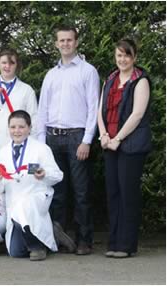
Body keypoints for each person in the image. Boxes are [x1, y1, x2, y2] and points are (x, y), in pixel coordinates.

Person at [36, 25, 100, 255]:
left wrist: (87, 140)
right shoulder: (51, 75)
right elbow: (42, 110)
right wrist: (41, 143)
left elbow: (94, 108)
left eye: (69, 40)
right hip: (53, 138)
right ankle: (59, 239)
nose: (65, 44)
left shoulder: (87, 71)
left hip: (76, 137)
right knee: (57, 192)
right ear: (56, 44)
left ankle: (84, 241)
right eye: (61, 40)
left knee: (81, 191)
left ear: (76, 41)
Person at [97, 39, 151, 259]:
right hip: (110, 143)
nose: (122, 59)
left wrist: (117, 138)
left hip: (130, 144)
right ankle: (114, 242)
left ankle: (127, 245)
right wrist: (102, 135)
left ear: (134, 57)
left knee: (128, 194)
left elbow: (137, 114)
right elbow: (100, 109)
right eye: (119, 55)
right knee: (113, 194)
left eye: (126, 55)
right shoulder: (110, 78)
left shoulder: (141, 81)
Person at [0, 110, 66, 261]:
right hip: (14, 202)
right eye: (13, 127)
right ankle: (51, 233)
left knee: (23, 208)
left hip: (36, 197)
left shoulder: (41, 149)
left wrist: (44, 174)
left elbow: (58, 175)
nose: (17, 131)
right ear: (8, 129)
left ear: (29, 128)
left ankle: (37, 247)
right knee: (16, 252)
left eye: (21, 127)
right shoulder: (2, 153)